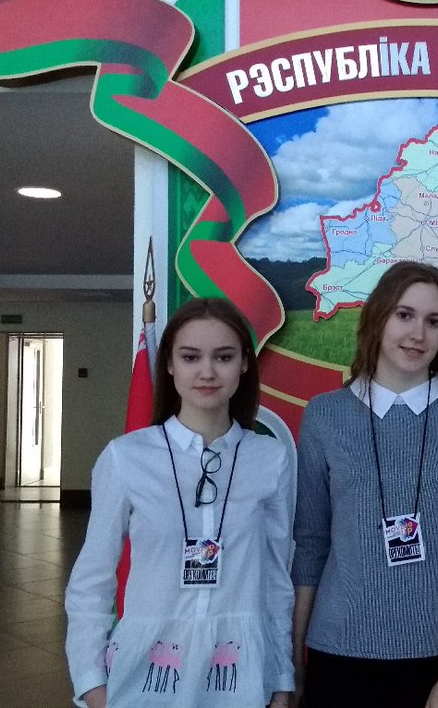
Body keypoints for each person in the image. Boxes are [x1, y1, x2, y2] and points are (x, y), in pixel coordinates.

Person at [290, 261, 438, 708]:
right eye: (404, 315)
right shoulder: (324, 415)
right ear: (378, 318)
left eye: (434, 321)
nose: (418, 334)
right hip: (336, 655)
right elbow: (310, 545)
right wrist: (293, 663)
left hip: (435, 661)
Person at [65, 298, 295, 708]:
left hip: (241, 676)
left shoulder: (269, 459)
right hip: (144, 673)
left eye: (223, 357)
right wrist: (90, 682)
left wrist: (282, 677)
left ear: (244, 363)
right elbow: (92, 580)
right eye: (191, 357)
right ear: (169, 364)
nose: (207, 372)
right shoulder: (126, 457)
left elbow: (276, 581)